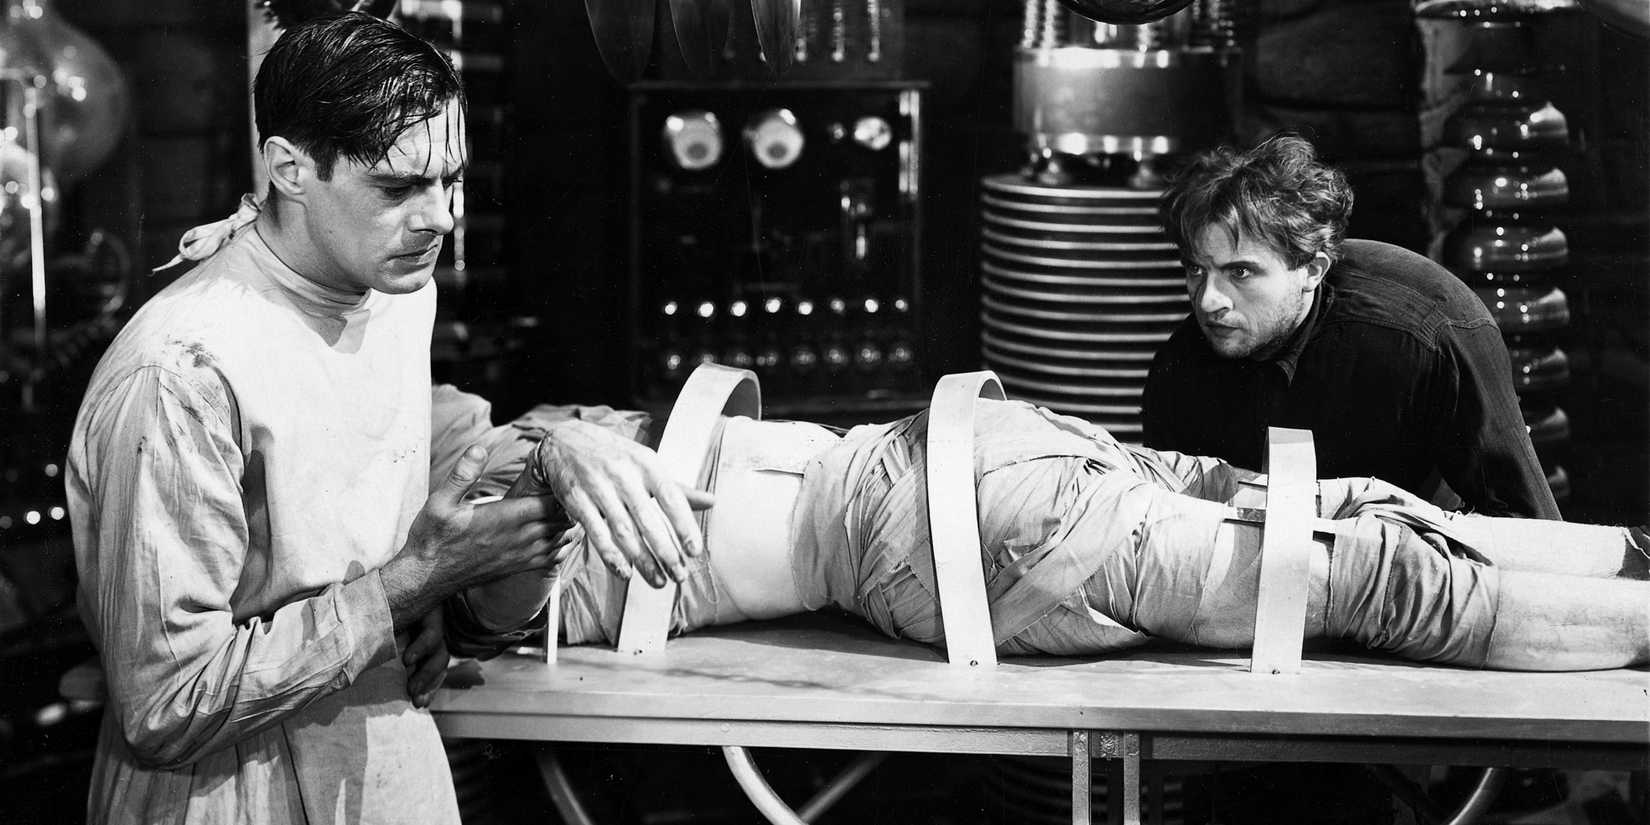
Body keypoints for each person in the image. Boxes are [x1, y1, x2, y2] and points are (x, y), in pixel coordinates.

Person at [66, 14, 706, 825]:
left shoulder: (398, 294)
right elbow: (166, 702)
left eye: (450, 181)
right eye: (399, 188)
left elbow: (348, 527)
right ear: (290, 169)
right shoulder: (182, 373)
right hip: (227, 798)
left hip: (390, 776)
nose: (441, 217)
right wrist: (409, 585)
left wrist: (444, 577)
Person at [471, 378, 1649, 672]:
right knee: (1342, 529)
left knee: (1352, 556)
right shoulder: (486, 562)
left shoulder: (495, 475)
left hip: (966, 516)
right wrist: (550, 445)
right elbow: (490, 577)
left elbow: (505, 489)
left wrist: (545, 444)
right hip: (961, 481)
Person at [1140, 133, 1560, 520]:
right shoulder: (1180, 368)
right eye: (1196, 269)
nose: (1209, 300)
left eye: (1241, 272)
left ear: (1312, 270)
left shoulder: (1423, 342)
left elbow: (1527, 526)